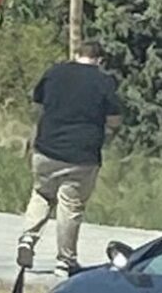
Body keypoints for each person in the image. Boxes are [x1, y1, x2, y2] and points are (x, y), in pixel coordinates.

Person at [16, 40, 123, 276]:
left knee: (42, 193)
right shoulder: (104, 82)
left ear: (76, 54)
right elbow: (114, 120)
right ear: (100, 60)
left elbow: (38, 105)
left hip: (46, 148)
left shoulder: (55, 73)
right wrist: (105, 134)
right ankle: (65, 261)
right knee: (70, 206)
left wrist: (34, 137)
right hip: (82, 155)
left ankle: (27, 240)